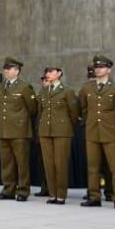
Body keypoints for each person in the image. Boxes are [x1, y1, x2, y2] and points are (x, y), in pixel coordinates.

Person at [79, 55, 115, 210]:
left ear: (108, 69)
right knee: (93, 166)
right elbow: (83, 108)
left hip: (110, 132)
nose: (98, 69)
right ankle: (94, 196)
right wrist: (90, 121)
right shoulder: (87, 88)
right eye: (96, 67)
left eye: (101, 67)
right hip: (92, 131)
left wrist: (112, 122)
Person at [0, 57, 37, 201]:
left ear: (17, 71)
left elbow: (33, 108)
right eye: (5, 68)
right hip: (4, 129)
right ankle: (8, 189)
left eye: (9, 68)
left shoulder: (24, 87)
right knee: (7, 162)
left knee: (22, 163)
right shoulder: (0, 87)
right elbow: (0, 106)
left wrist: (21, 120)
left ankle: (23, 190)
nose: (5, 71)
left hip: (20, 130)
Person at [37, 66, 79, 205]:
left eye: (51, 72)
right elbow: (40, 110)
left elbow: (73, 112)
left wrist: (67, 127)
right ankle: (52, 193)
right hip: (45, 130)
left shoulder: (67, 91)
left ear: (59, 73)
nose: (48, 74)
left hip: (62, 131)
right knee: (48, 164)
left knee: (60, 163)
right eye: (46, 72)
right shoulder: (43, 91)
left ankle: (61, 194)